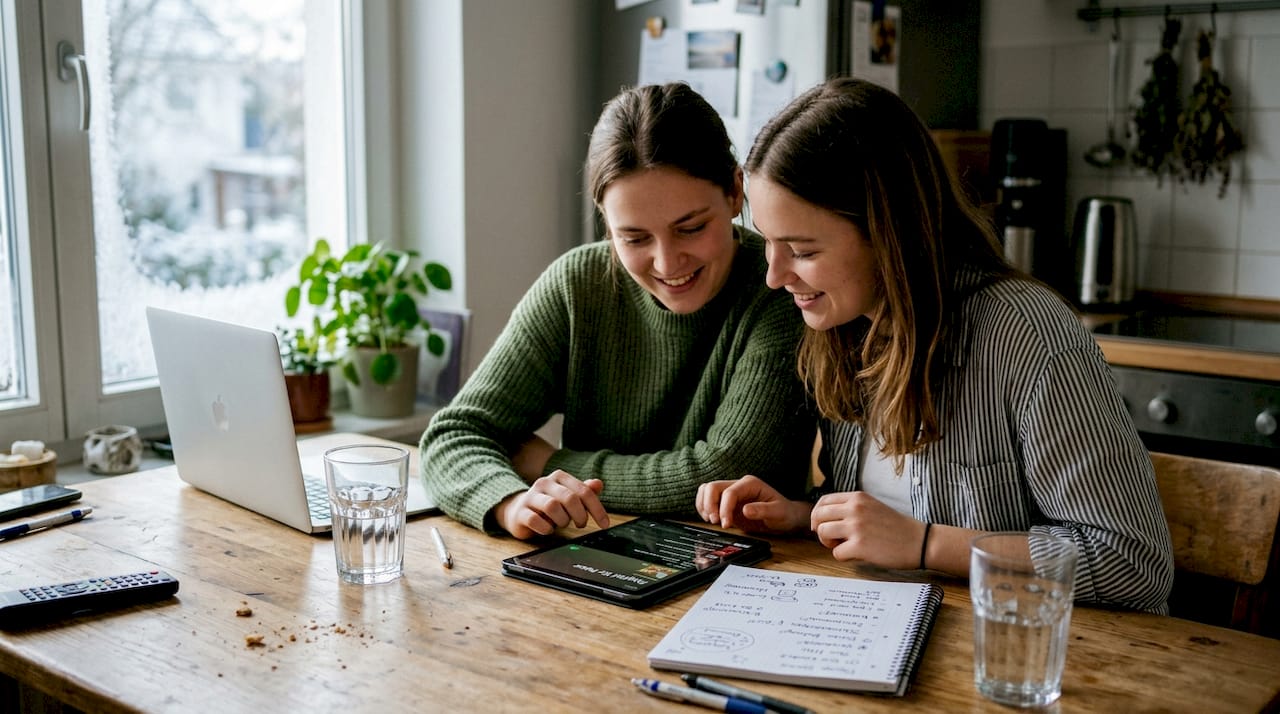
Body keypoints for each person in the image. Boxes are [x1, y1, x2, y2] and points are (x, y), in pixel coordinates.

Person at [696, 78, 1174, 614]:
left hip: (1028, 660)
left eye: (803, 251)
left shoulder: (1025, 335)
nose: (775, 276)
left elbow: (1133, 564)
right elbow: (887, 520)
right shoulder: (846, 329)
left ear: (888, 232)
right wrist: (804, 516)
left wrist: (927, 544)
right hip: (879, 628)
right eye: (770, 244)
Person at [421, 83, 815, 539]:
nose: (667, 263)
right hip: (593, 558)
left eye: (690, 228)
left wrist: (545, 463)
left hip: (752, 572)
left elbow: (724, 471)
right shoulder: (577, 284)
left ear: (733, 191)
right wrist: (512, 504)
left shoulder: (781, 288)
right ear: (605, 222)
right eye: (634, 238)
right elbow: (455, 434)